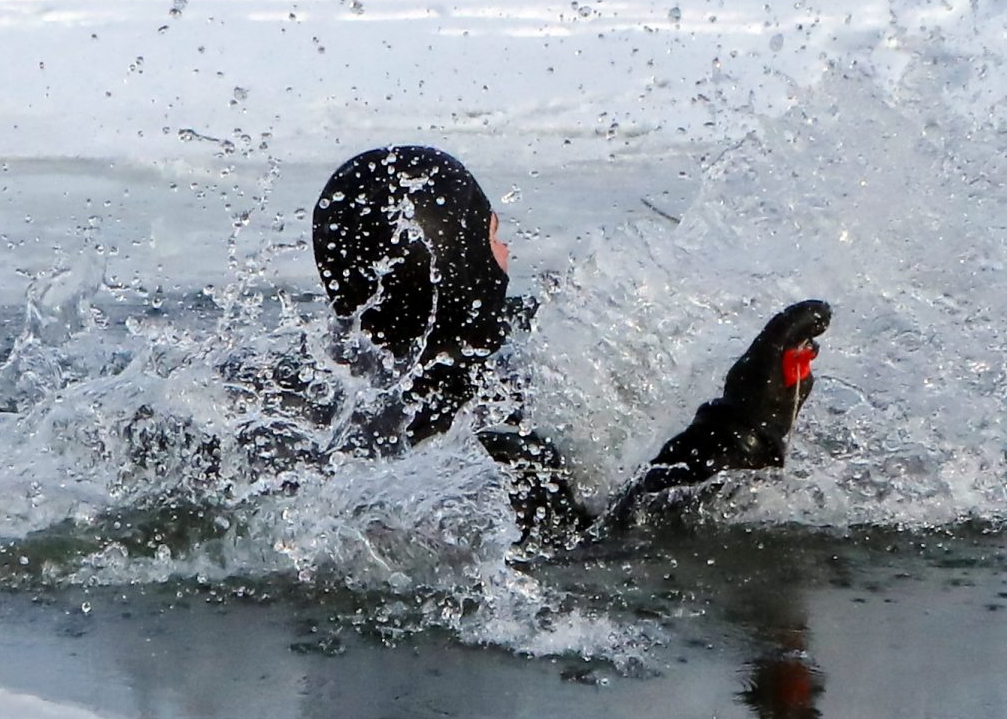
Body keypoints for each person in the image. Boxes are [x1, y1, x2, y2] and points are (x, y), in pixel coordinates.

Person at [308, 144, 830, 550]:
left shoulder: (333, 395)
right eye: (492, 233)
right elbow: (597, 553)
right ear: (460, 257)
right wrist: (739, 434)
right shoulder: (492, 441)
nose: (507, 251)